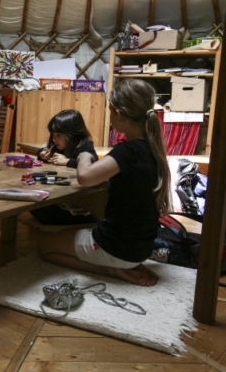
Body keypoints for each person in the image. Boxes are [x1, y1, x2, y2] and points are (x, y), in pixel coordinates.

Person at [38, 79, 171, 286]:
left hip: (117, 248)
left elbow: (85, 177)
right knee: (67, 234)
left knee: (45, 245)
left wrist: (83, 153)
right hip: (141, 248)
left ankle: (110, 270)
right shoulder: (151, 149)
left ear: (117, 113)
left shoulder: (127, 151)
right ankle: (122, 264)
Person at [31, 109, 99, 225]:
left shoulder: (85, 146)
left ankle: (90, 218)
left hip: (80, 199)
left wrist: (67, 161)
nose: (54, 139)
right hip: (64, 194)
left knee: (44, 216)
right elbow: (41, 150)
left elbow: (92, 165)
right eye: (53, 134)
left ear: (73, 134)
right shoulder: (59, 145)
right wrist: (42, 154)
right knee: (34, 209)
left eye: (59, 135)